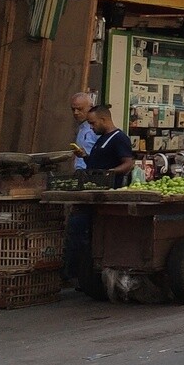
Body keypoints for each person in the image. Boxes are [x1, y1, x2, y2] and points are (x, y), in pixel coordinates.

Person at [65, 105, 134, 289]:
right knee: (79, 230)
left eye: (93, 123)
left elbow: (128, 163)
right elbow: (97, 163)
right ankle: (79, 274)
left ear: (104, 120)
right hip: (92, 193)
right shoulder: (101, 139)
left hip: (106, 196)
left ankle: (81, 275)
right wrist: (85, 157)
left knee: (83, 230)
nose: (91, 127)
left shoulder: (119, 138)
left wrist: (110, 173)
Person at [69, 92, 97, 171]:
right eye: (73, 109)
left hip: (92, 172)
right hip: (79, 172)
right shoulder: (81, 128)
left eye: (80, 109)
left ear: (91, 107)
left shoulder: (97, 128)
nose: (76, 112)